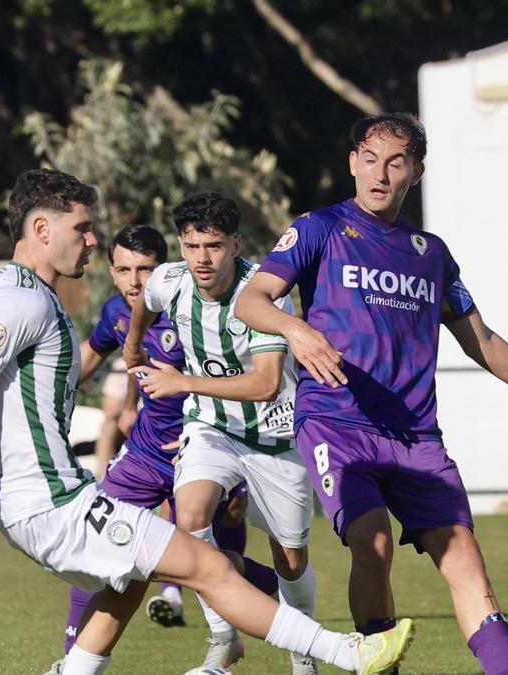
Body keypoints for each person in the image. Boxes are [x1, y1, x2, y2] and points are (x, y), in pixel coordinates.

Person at [0, 169, 414, 675]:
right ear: (42, 229)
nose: (92, 240)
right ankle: (350, 655)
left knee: (134, 572)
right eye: (82, 228)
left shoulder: (0, 290)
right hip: (48, 501)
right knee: (208, 566)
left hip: (31, 499)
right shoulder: (24, 302)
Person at [234, 113, 508, 675]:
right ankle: (380, 663)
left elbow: (481, 340)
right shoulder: (319, 229)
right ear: (352, 163)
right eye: (369, 159)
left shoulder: (430, 253)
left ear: (415, 171)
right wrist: (296, 329)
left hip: (417, 437)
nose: (380, 173)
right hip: (338, 424)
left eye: (396, 162)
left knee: (466, 560)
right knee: (373, 546)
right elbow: (254, 300)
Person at [55, 224, 276, 664]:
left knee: (204, 560)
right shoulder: (118, 312)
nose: (134, 281)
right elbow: (90, 357)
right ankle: (70, 661)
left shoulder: (197, 311)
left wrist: (208, 430)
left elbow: (252, 374)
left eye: (145, 269)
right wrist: (38, 390)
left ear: (166, 270)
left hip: (203, 450)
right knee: (93, 547)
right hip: (143, 455)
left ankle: (271, 586)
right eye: (123, 269)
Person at [122, 191, 320, 673]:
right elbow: (145, 301)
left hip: (274, 435)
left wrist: (181, 381)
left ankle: (303, 647)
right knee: (189, 513)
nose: (201, 258)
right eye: (191, 246)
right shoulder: (170, 279)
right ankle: (223, 635)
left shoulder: (263, 293)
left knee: (290, 559)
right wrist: (131, 348)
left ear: (235, 243)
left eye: (212, 245)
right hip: (211, 426)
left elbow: (267, 382)